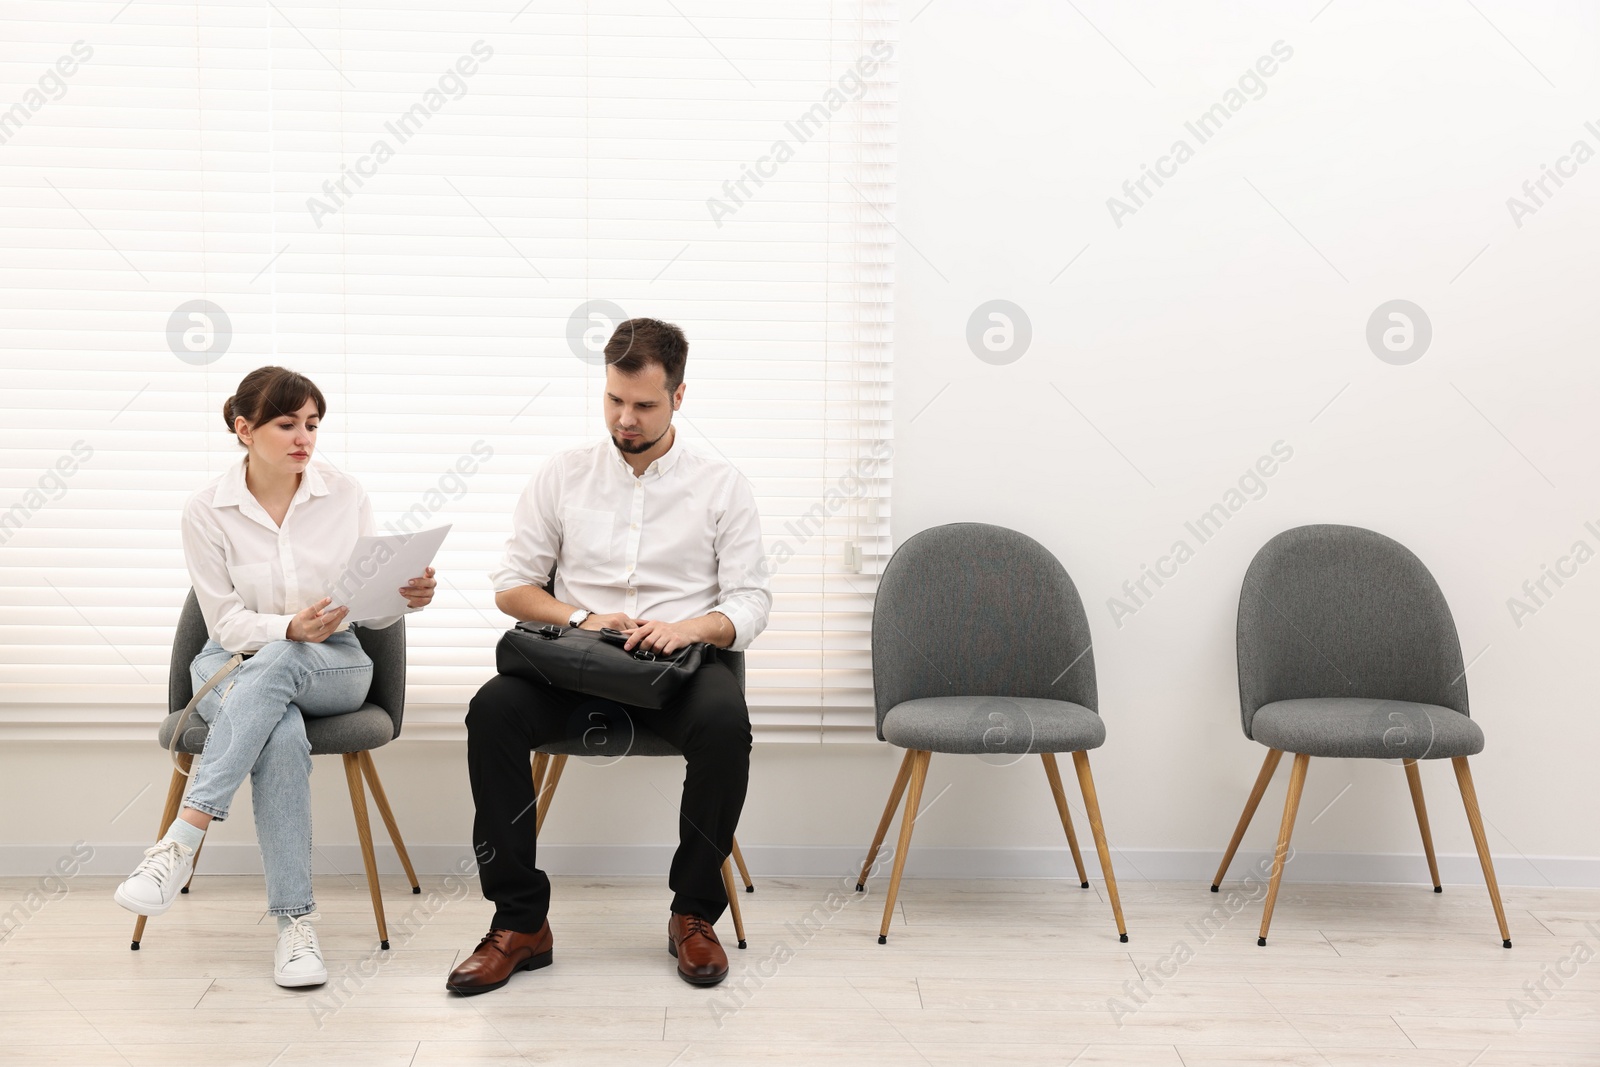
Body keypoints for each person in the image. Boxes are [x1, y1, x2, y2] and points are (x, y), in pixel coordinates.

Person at [449, 318, 769, 994]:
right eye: (614, 401)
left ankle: (692, 913)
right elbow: (512, 586)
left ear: (679, 397)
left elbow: (751, 602)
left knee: (724, 725)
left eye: (645, 405)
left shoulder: (721, 485)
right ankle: (520, 922)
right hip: (576, 665)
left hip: (676, 670)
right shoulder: (562, 474)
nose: (626, 418)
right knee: (493, 709)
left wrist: (687, 627)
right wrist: (583, 617)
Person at [113, 366, 437, 988]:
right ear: (245, 429)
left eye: (313, 424)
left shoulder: (345, 494)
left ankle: (181, 840)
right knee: (278, 726)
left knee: (286, 667)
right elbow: (225, 621)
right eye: (287, 424)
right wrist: (288, 628)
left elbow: (368, 606)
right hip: (230, 660)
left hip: (335, 664)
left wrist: (406, 596)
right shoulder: (206, 511)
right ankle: (296, 928)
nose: (304, 438)